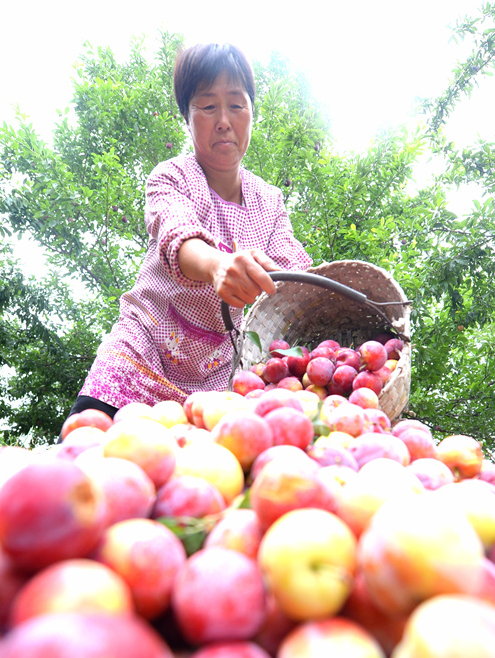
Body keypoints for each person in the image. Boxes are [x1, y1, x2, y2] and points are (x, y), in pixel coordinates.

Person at [67, 42, 312, 421]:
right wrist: (217, 265)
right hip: (140, 351)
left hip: (218, 378)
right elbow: (176, 233)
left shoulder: (270, 201)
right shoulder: (172, 177)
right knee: (86, 440)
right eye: (208, 106)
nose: (224, 120)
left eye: (236, 104)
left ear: (252, 112)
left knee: (199, 472)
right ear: (187, 116)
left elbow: (296, 274)